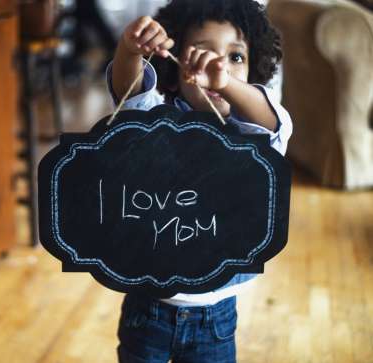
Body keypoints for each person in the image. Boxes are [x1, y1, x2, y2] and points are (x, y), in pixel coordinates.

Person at [106, 0, 293, 362]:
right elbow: (131, 100)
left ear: (255, 68)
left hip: (216, 316)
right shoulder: (156, 125)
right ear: (174, 72)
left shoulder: (252, 138)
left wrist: (226, 84)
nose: (218, 65)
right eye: (202, 54)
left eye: (236, 57)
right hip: (148, 309)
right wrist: (130, 49)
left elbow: (276, 124)